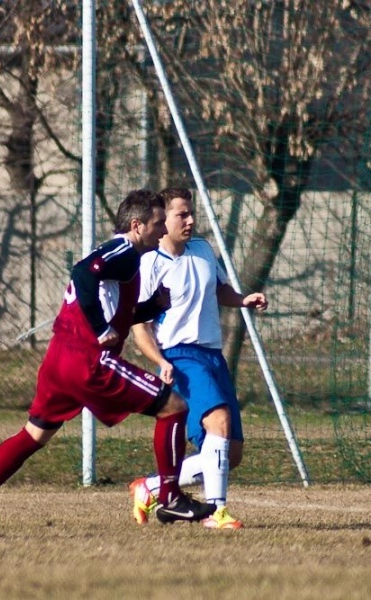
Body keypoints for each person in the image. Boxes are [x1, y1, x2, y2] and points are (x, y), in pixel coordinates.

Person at [0, 190, 215, 528]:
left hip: (59, 360)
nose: (163, 230)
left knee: (35, 433)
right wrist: (99, 328)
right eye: (157, 223)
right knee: (174, 407)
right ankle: (170, 498)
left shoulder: (126, 260)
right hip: (88, 361)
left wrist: (153, 307)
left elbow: (118, 311)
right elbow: (81, 273)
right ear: (137, 225)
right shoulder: (123, 250)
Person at [128, 187, 267, 530]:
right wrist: (161, 361)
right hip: (180, 356)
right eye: (182, 215)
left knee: (230, 453)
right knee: (218, 421)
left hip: (212, 356)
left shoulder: (203, 249)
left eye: (192, 213)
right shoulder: (150, 263)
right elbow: (139, 327)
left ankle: (151, 487)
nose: (190, 220)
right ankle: (216, 512)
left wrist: (243, 299)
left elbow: (219, 289)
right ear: (163, 220)